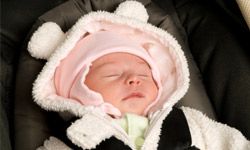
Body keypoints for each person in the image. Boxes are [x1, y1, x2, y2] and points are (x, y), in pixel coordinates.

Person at [27, 1, 250, 149]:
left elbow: (235, 144)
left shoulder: (190, 122)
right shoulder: (74, 139)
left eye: (145, 74)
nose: (134, 79)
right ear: (74, 90)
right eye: (112, 75)